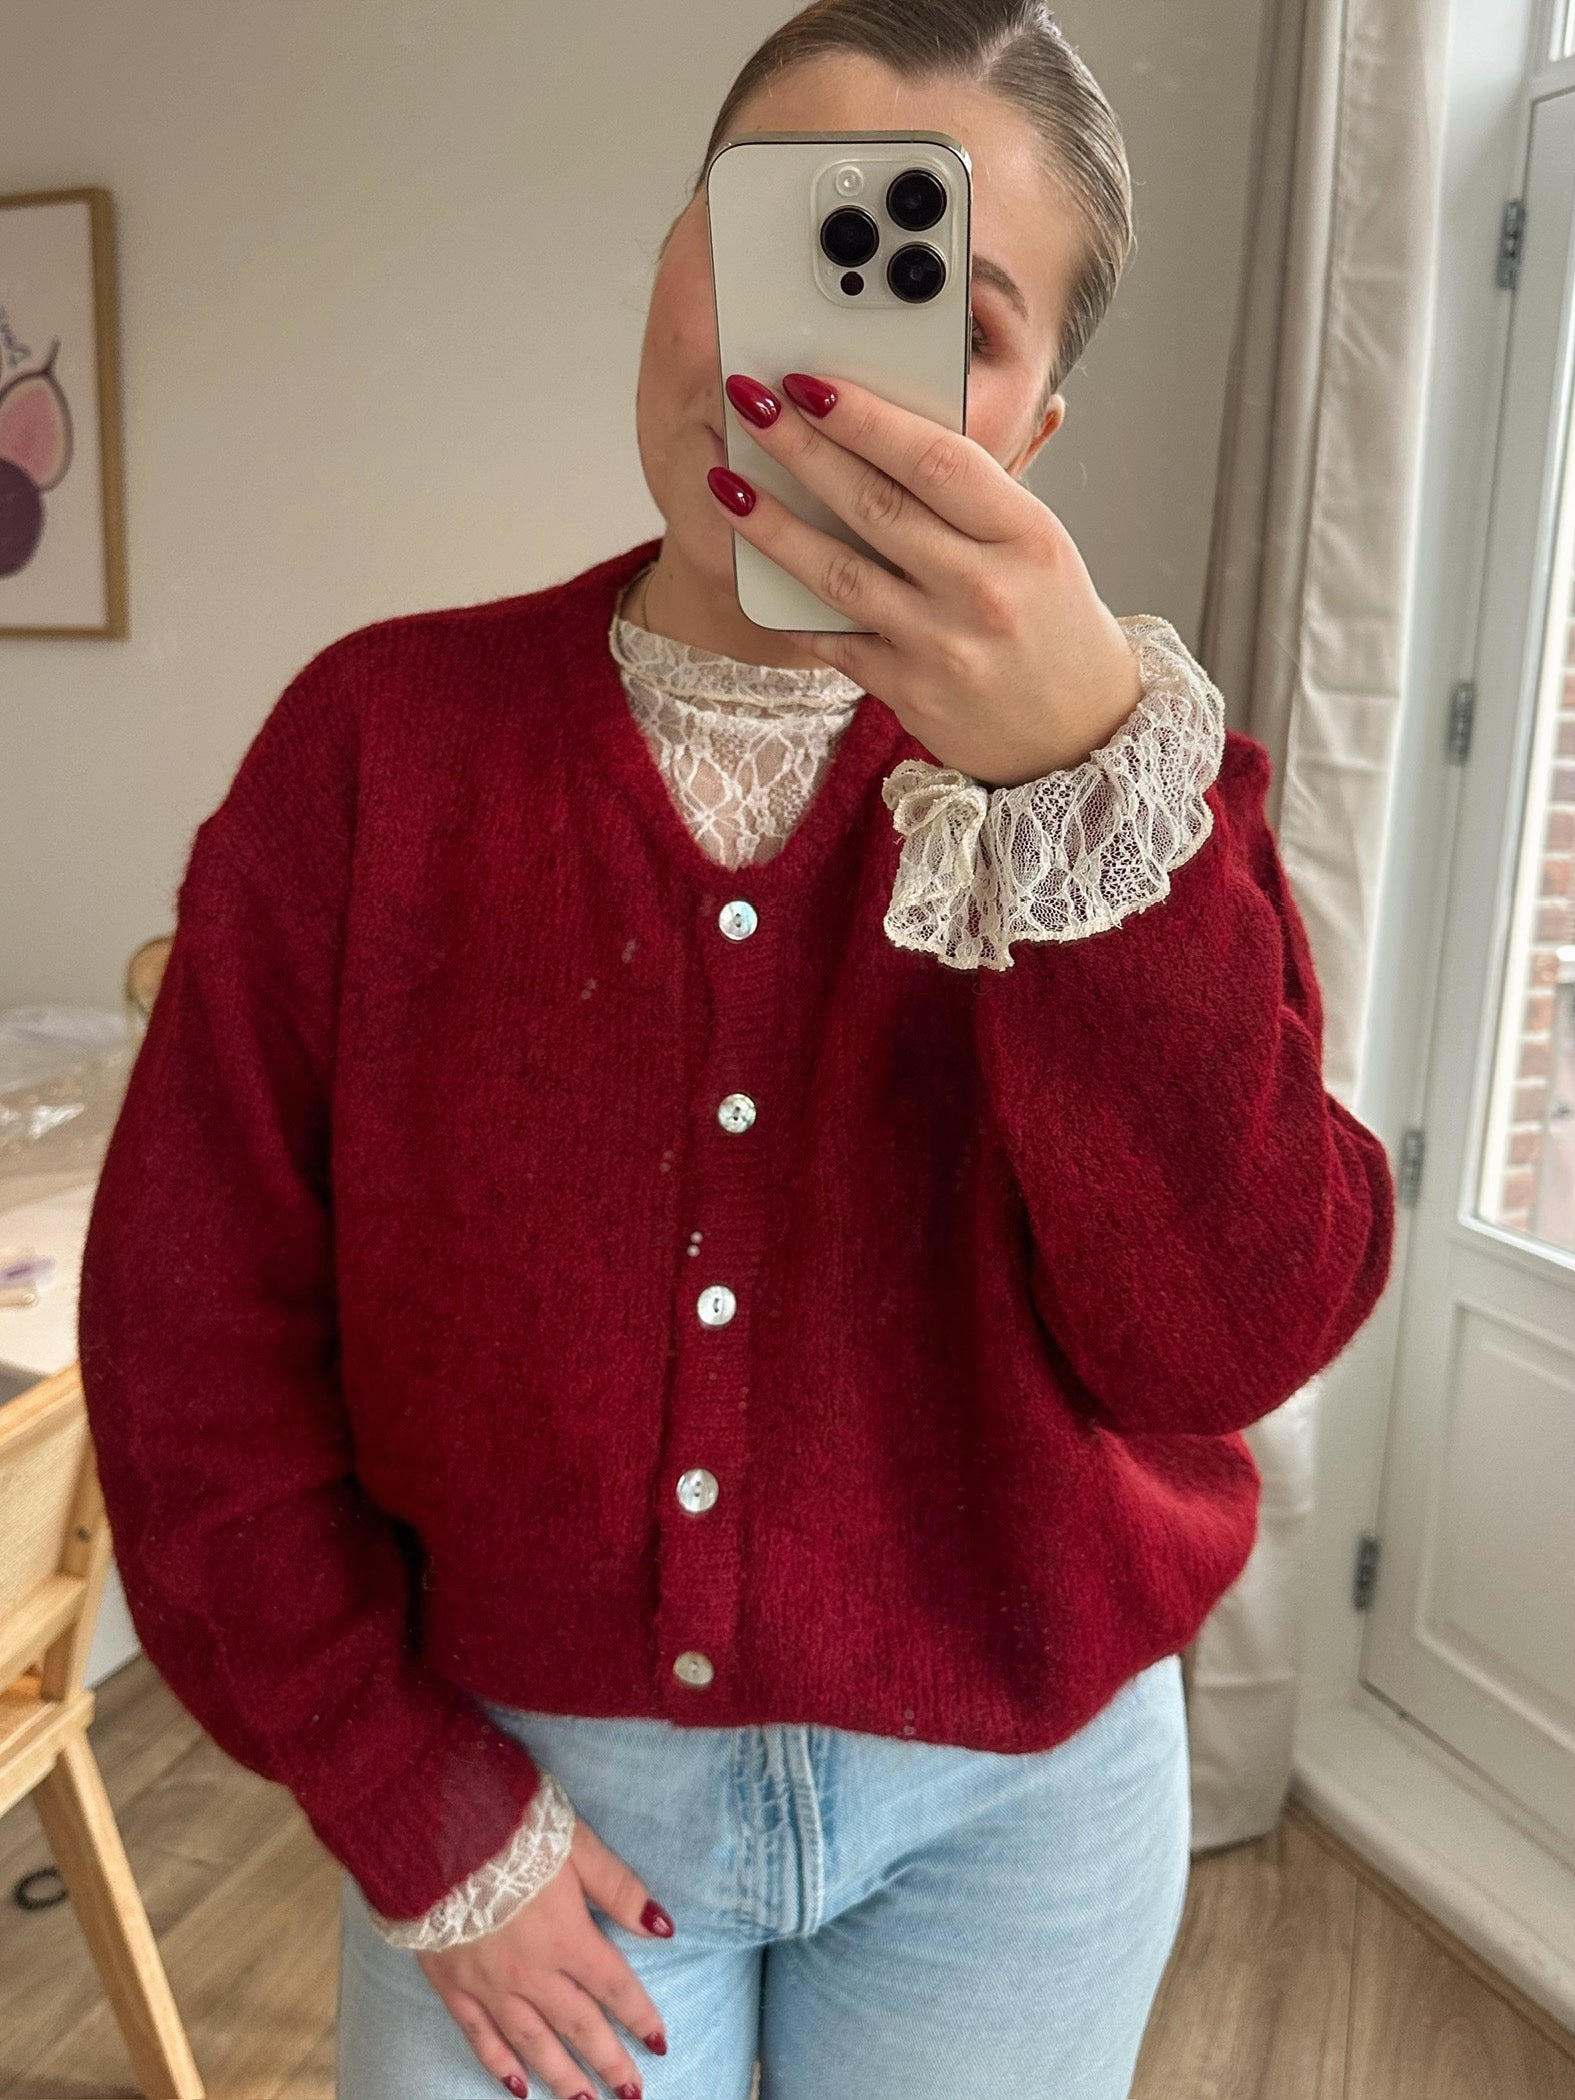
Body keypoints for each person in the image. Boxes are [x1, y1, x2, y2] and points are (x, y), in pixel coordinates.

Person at [75, 3, 1397, 2097]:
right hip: (520, 1790)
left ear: (1034, 425)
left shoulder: (1139, 805)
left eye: (949, 311)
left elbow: (1224, 1337)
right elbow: (190, 1341)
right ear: (672, 252)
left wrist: (1074, 800)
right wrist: (414, 1805)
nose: (816, 364)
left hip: (1023, 1814)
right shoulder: (377, 750)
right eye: (777, 235)